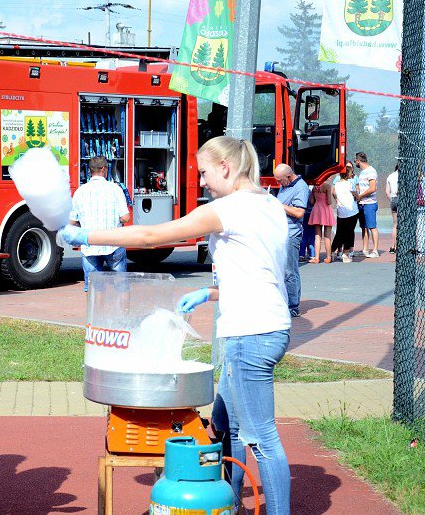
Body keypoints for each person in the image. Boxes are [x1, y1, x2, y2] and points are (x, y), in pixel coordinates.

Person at [59, 136, 292, 514]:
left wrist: (88, 235)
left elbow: (152, 235)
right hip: (267, 326)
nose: (200, 181)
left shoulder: (230, 208)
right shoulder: (270, 204)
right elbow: (260, 272)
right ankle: (228, 503)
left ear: (226, 168)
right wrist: (210, 293)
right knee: (223, 424)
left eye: (203, 172)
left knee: (261, 438)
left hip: (250, 333)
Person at [69, 156, 130, 292]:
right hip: (113, 244)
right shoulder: (115, 189)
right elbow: (125, 218)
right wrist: (115, 220)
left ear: (91, 171)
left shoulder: (80, 192)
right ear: (103, 169)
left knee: (93, 288)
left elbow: (72, 221)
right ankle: (122, 313)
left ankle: (94, 313)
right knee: (122, 287)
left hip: (90, 245)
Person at [274, 163, 309, 317]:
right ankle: (283, 302)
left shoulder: (301, 187)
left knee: (290, 271)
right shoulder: (286, 185)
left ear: (289, 176)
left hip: (291, 234)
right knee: (280, 270)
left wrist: (278, 205)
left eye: (280, 180)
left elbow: (299, 212)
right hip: (280, 233)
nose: (279, 184)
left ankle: (293, 307)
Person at [331, 161, 359, 262]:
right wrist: (357, 197)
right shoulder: (350, 184)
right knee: (349, 232)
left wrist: (338, 199)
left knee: (339, 233)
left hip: (341, 212)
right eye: (351, 172)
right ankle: (346, 254)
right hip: (351, 212)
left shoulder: (337, 184)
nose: (352, 174)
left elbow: (333, 193)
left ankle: (331, 250)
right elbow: (356, 195)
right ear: (347, 174)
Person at [354, 152, 380, 257]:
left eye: (355, 160)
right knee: (363, 227)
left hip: (370, 203)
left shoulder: (371, 171)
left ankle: (375, 251)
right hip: (362, 203)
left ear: (358, 161)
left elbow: (372, 188)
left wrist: (361, 196)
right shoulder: (362, 172)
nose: (355, 162)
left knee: (372, 227)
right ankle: (365, 249)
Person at [307, 178, 335, 263]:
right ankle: (328, 257)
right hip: (326, 210)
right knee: (327, 235)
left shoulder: (314, 187)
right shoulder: (327, 186)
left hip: (317, 210)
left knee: (317, 235)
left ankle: (317, 257)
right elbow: (329, 201)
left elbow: (311, 201)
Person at [385, 164, 399, 253]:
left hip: (393, 199)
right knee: (403, 224)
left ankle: (393, 246)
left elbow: (387, 191)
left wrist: (392, 199)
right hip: (401, 199)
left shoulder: (390, 176)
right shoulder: (405, 174)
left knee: (395, 225)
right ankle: (399, 246)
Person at [299, 189, 315, 262]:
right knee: (312, 235)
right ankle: (312, 254)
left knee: (305, 234)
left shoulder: (300, 190)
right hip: (311, 213)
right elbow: (312, 202)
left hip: (303, 213)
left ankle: (301, 254)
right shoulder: (310, 191)